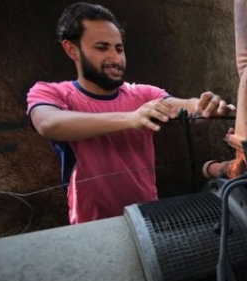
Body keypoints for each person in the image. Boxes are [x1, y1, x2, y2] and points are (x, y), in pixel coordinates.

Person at [26, 2, 235, 224]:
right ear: (72, 49)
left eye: (119, 48)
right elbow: (48, 123)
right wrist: (132, 118)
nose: (116, 59)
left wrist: (204, 106)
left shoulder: (143, 94)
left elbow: (182, 106)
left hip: (149, 219)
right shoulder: (52, 92)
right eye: (102, 47)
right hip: (94, 226)